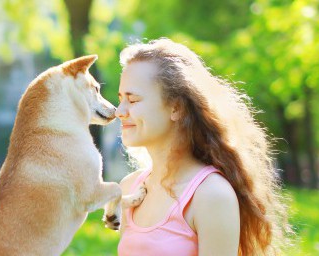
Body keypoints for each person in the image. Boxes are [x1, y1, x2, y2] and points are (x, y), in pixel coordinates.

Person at [115, 38, 289, 256]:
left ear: (176, 108)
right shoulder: (129, 188)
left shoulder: (211, 195)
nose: (119, 111)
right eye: (120, 98)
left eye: (133, 100)